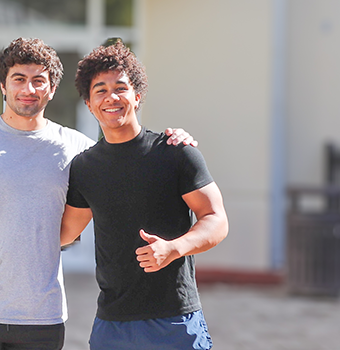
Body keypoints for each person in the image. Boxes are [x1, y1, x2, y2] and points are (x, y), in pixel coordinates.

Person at [0, 38, 193, 350]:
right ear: (3, 86)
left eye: (38, 81)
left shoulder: (80, 150)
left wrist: (172, 140)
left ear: (52, 89)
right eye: (19, 79)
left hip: (42, 319)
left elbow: (127, 159)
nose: (28, 89)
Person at [59, 40, 228, 350]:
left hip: (174, 320)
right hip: (111, 326)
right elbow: (63, 234)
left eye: (120, 88)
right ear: (89, 104)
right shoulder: (84, 167)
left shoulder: (175, 153)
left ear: (136, 97)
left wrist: (174, 248)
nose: (111, 97)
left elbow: (216, 220)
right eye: (100, 90)